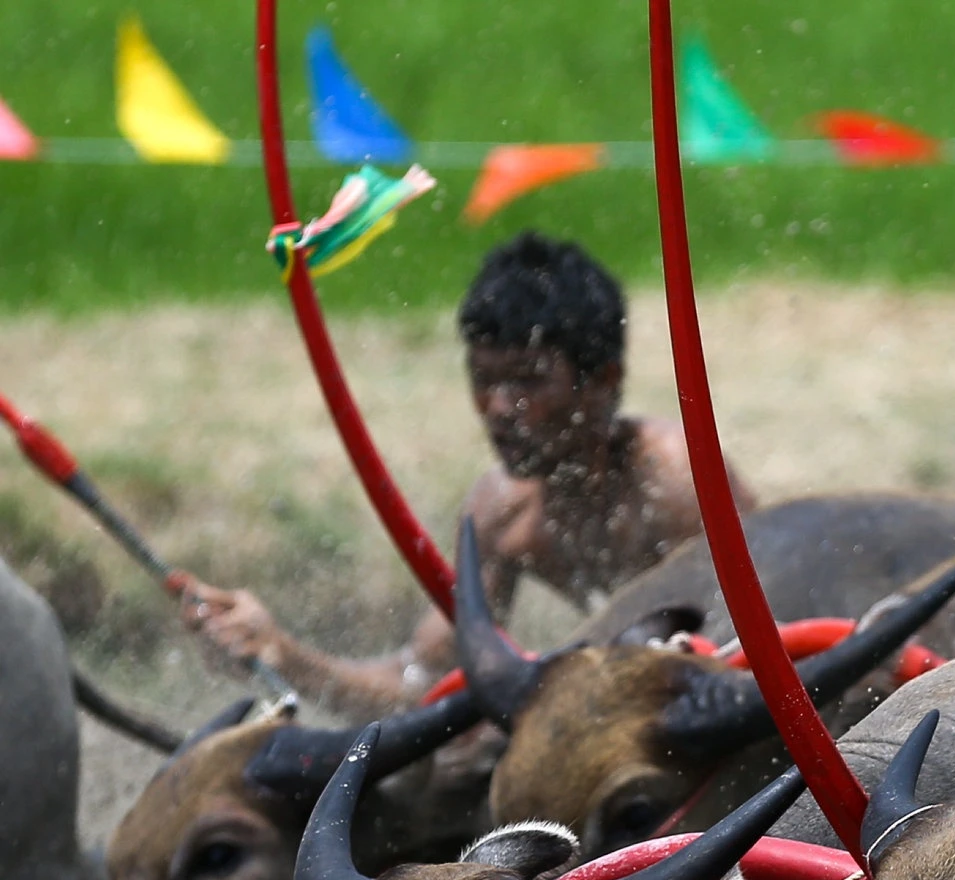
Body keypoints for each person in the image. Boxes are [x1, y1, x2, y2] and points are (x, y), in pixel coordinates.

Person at [179, 234, 748, 716]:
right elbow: (424, 682)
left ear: (604, 380)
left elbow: (768, 634)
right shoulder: (501, 516)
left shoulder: (677, 482)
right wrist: (284, 654)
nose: (498, 408)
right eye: (484, 380)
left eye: (527, 381)